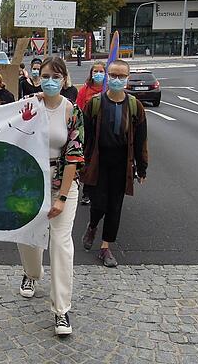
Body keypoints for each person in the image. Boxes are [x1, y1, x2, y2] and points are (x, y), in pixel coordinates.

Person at [17, 56, 84, 336]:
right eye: (45, 75)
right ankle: (32, 274)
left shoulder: (72, 111)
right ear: (37, 76)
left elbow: (74, 156)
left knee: (60, 244)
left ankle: (61, 310)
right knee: (28, 238)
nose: (50, 81)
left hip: (62, 183)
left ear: (65, 79)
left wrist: (62, 198)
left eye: (56, 76)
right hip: (30, 184)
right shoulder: (27, 106)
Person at [79, 59, 148, 268]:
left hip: (121, 163)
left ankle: (105, 247)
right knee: (98, 203)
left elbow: (141, 138)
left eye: (121, 76)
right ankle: (92, 225)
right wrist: (80, 162)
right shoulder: (95, 103)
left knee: (115, 207)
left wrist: (142, 167)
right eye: (113, 75)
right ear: (107, 77)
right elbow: (84, 136)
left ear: (127, 79)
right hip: (98, 162)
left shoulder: (135, 106)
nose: (117, 79)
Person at [76, 61, 106, 205]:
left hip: (106, 132)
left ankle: (102, 190)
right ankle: (87, 193)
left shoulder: (108, 90)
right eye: (96, 71)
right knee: (89, 163)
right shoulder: (84, 90)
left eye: (101, 71)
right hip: (89, 133)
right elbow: (79, 110)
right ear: (91, 74)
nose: (98, 74)